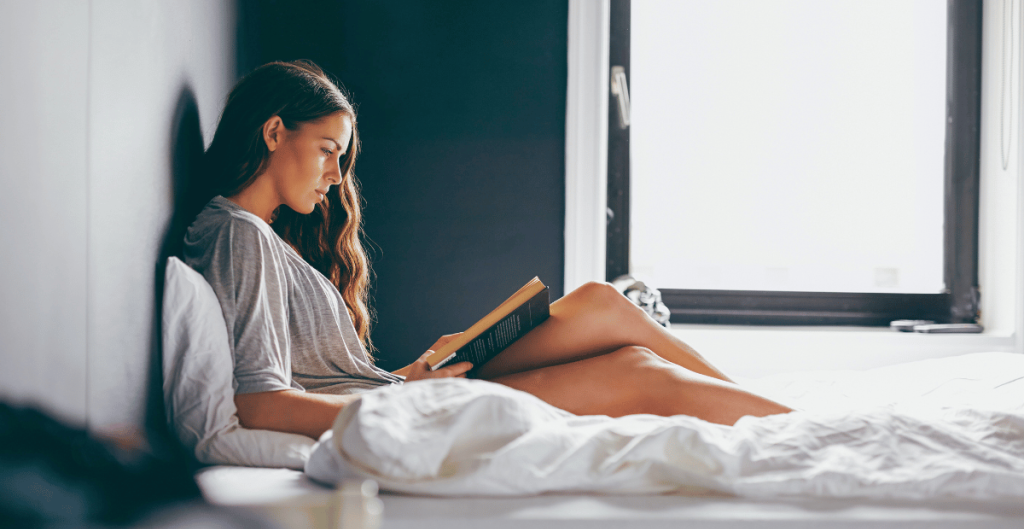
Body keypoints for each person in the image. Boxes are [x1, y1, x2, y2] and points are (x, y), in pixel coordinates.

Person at [185, 60, 791, 441]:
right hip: (403, 410)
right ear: (273, 133)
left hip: (398, 391)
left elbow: (323, 380)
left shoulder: (256, 235)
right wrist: (409, 402)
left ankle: (783, 418)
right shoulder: (237, 233)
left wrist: (407, 375)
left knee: (603, 304)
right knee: (636, 372)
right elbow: (260, 404)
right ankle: (794, 431)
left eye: (341, 156)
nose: (337, 174)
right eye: (327, 150)